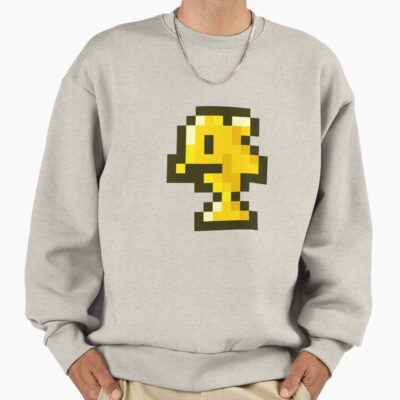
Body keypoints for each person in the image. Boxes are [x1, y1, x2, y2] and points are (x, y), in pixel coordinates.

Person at [25, 0, 372, 399]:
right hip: (125, 376)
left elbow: (341, 226)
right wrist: (66, 341)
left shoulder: (313, 67)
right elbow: (64, 211)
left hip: (273, 379)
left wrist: (328, 345)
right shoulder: (106, 60)